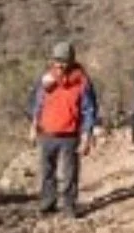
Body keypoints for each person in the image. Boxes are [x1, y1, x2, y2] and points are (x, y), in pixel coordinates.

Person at [28, 41, 98, 217]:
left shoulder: (82, 82)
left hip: (70, 134)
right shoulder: (46, 79)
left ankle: (69, 205)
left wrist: (87, 136)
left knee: (69, 173)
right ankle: (48, 202)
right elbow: (38, 104)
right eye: (56, 60)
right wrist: (33, 126)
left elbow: (89, 110)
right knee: (47, 171)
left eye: (64, 61)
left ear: (72, 61)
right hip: (47, 132)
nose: (59, 64)